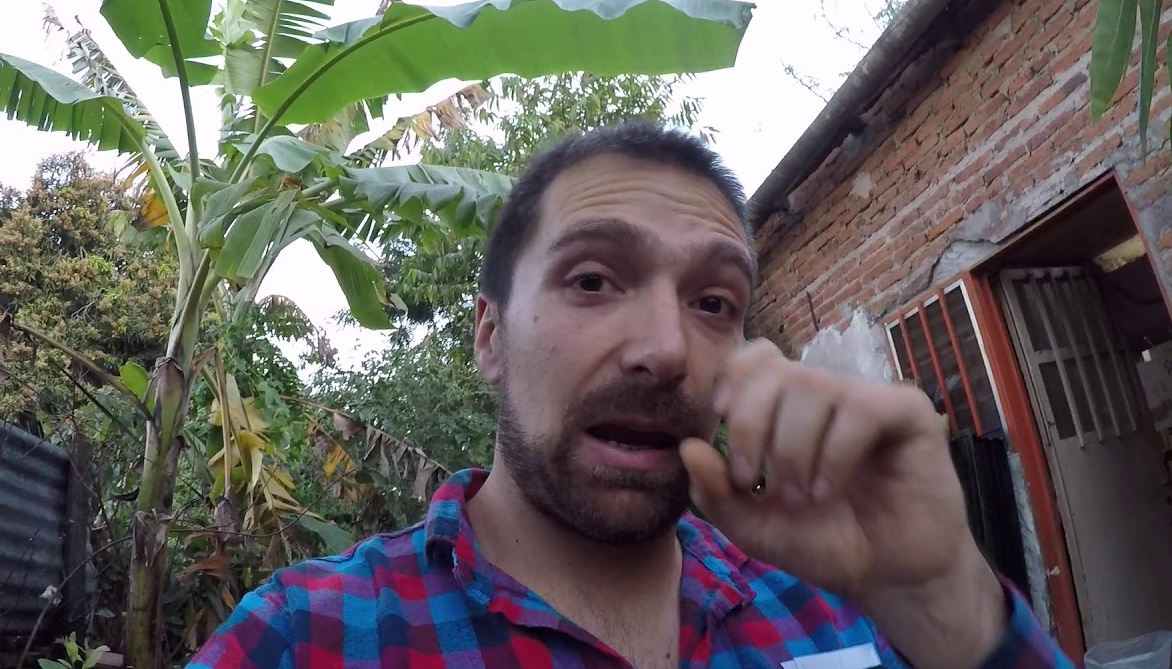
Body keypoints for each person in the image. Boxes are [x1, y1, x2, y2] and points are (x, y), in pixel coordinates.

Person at [188, 123, 1073, 668]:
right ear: (489, 336)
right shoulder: (311, 638)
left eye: (714, 302)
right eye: (593, 281)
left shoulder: (835, 608)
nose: (665, 349)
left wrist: (943, 601)